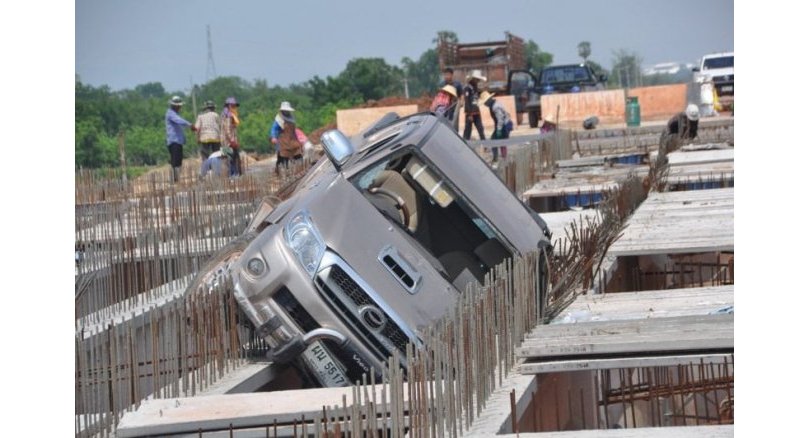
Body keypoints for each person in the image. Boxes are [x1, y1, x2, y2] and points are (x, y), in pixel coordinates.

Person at [268, 101, 309, 172]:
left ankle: (300, 169)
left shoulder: (291, 118)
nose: (286, 112)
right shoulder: (279, 119)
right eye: (285, 110)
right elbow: (274, 129)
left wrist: (299, 140)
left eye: (287, 110)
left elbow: (294, 131)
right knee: (283, 157)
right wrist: (273, 137)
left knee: (298, 153)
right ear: (282, 110)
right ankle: (282, 172)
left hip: (293, 140)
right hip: (283, 142)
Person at [165, 96, 196, 183]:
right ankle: (174, 179)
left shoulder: (175, 114)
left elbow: (179, 129)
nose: (180, 107)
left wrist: (183, 139)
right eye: (178, 106)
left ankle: (176, 178)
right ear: (174, 106)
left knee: (179, 160)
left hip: (178, 141)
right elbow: (179, 121)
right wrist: (190, 125)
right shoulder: (170, 114)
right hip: (173, 141)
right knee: (175, 161)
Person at [480, 91, 513, 162]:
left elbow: (500, 119)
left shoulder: (495, 107)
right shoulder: (493, 105)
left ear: (488, 100)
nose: (485, 104)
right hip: (503, 124)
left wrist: (498, 129)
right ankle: (503, 158)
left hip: (504, 125)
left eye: (485, 102)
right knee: (501, 142)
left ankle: (497, 159)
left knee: (494, 141)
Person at [193, 100, 221, 177]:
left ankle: (205, 173)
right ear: (213, 108)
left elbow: (196, 128)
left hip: (204, 138)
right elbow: (220, 126)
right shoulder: (216, 115)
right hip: (215, 138)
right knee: (216, 155)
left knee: (205, 157)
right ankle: (216, 172)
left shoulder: (200, 116)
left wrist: (197, 138)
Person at [220, 97, 242, 176]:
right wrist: (232, 141)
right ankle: (233, 176)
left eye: (235, 106)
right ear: (228, 106)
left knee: (229, 160)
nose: (234, 108)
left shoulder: (225, 114)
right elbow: (227, 129)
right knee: (231, 160)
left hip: (226, 142)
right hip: (228, 142)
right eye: (233, 106)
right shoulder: (228, 115)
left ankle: (231, 176)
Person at [462, 69, 487, 141]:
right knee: (467, 130)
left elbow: (476, 98)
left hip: (476, 111)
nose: (478, 81)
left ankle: (485, 145)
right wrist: (469, 114)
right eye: (477, 79)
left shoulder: (475, 88)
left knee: (480, 128)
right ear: (473, 79)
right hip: (470, 112)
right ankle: (465, 144)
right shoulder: (467, 88)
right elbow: (467, 101)